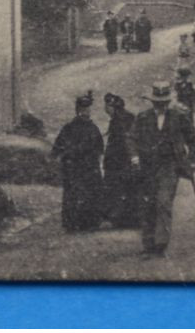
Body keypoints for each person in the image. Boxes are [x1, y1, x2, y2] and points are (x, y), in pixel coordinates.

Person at [133, 82, 195, 257]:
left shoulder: (179, 117)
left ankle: (160, 245)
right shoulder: (142, 117)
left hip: (169, 166)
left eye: (164, 102)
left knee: (163, 202)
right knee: (148, 204)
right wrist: (134, 156)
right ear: (152, 101)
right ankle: (148, 245)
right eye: (157, 102)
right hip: (147, 167)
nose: (161, 105)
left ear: (168, 101)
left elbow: (193, 139)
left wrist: (193, 161)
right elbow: (131, 138)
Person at [52, 92, 105, 231]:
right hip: (76, 168)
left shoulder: (91, 128)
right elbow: (58, 147)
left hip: (85, 167)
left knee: (86, 193)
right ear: (78, 111)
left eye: (87, 110)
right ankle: (76, 222)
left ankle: (85, 222)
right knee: (76, 194)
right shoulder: (70, 128)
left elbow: (99, 148)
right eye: (83, 110)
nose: (86, 113)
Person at [101, 92, 141, 228]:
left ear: (111, 107)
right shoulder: (126, 116)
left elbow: (121, 140)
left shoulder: (119, 120)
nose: (105, 109)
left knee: (117, 187)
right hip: (126, 158)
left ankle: (120, 218)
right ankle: (129, 217)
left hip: (119, 159)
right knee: (128, 188)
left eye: (106, 106)